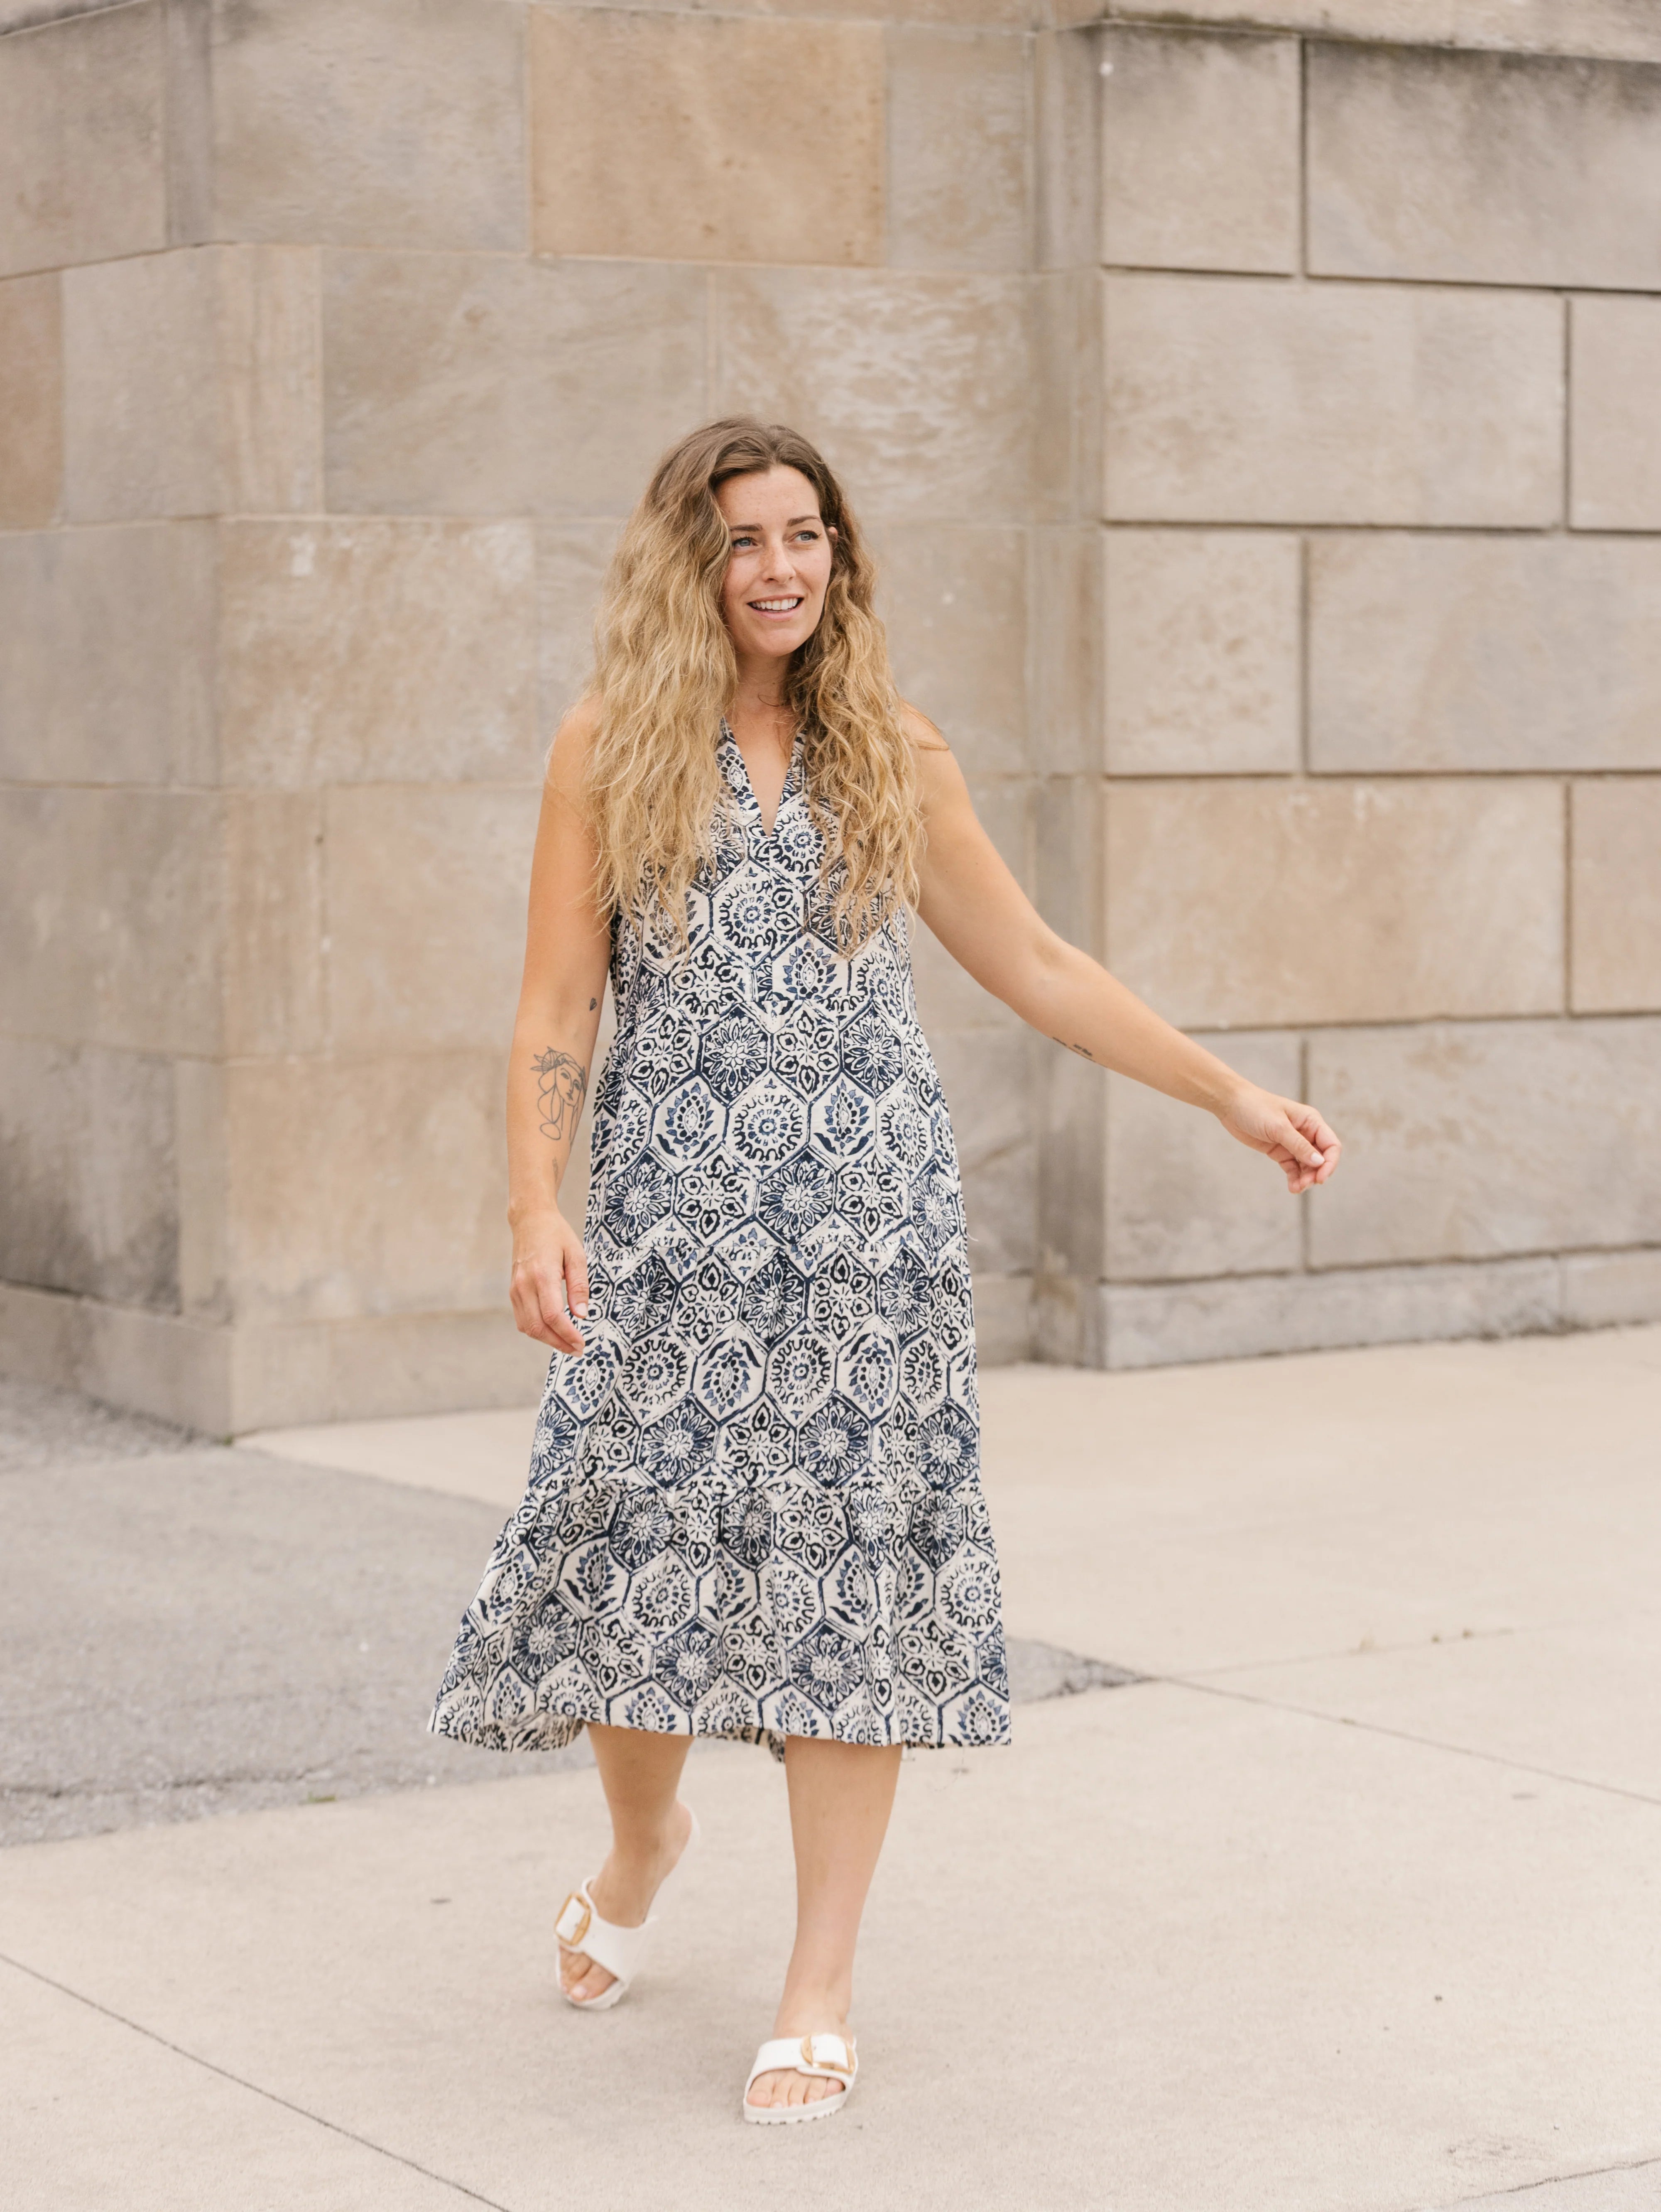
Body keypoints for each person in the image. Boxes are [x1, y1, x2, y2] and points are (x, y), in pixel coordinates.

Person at [431, 417, 1341, 2125]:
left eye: (806, 533)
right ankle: (643, 1845)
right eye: (744, 539)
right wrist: (530, 1206)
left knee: (849, 1596)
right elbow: (557, 1003)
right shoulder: (608, 747)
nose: (780, 566)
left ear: (837, 554)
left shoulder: (889, 754)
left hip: (871, 1245)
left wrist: (1226, 1092)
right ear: (683, 564)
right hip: (671, 1240)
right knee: (639, 1580)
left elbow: (1038, 961)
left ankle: (817, 1982)